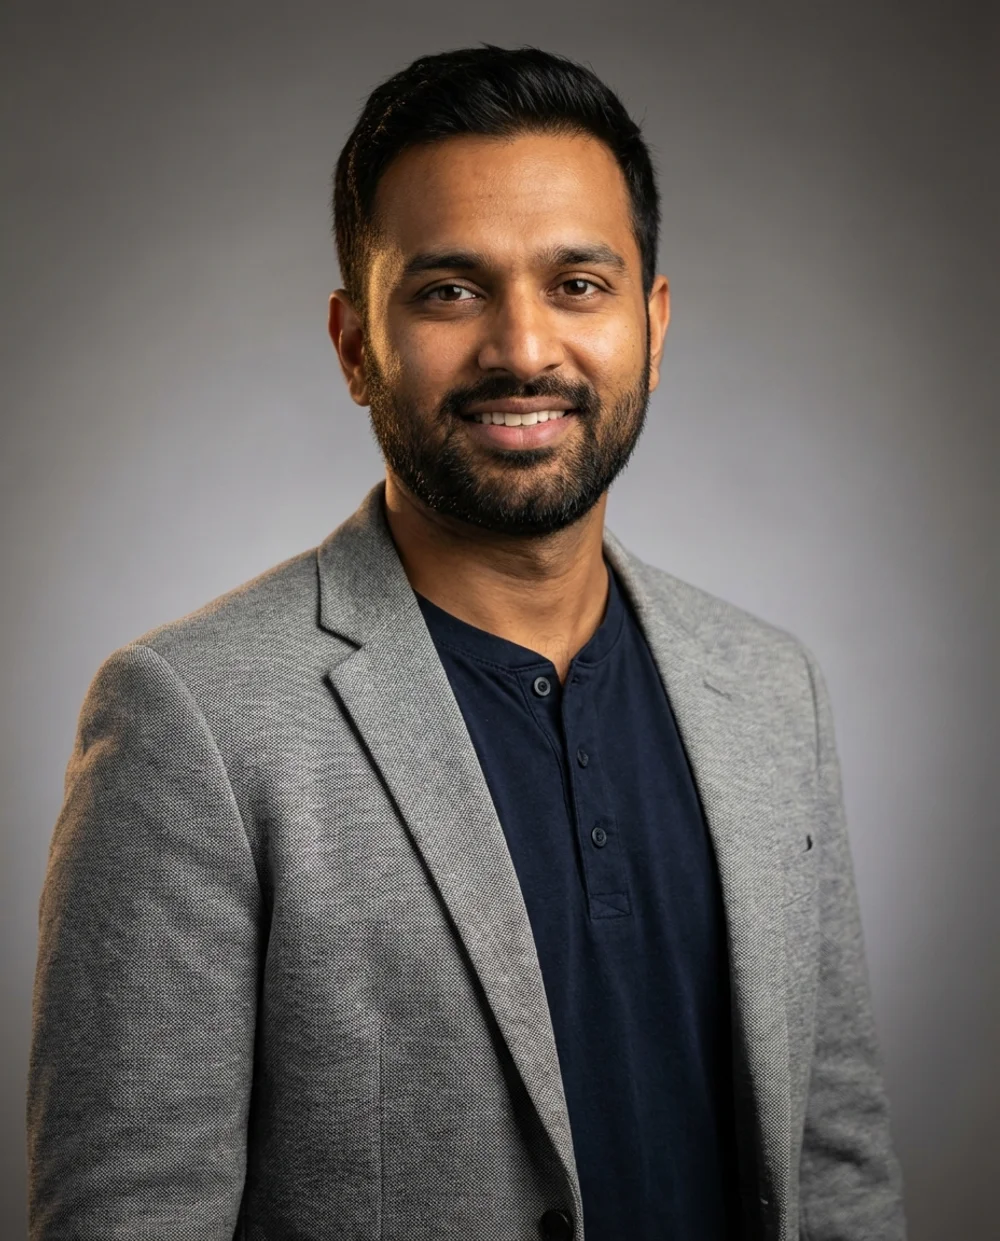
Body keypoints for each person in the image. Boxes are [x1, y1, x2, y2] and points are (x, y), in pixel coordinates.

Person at [27, 44, 906, 1241]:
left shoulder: (767, 687)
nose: (523, 348)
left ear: (653, 323)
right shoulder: (195, 719)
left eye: (578, 285)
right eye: (449, 289)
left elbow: (834, 1164)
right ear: (353, 345)